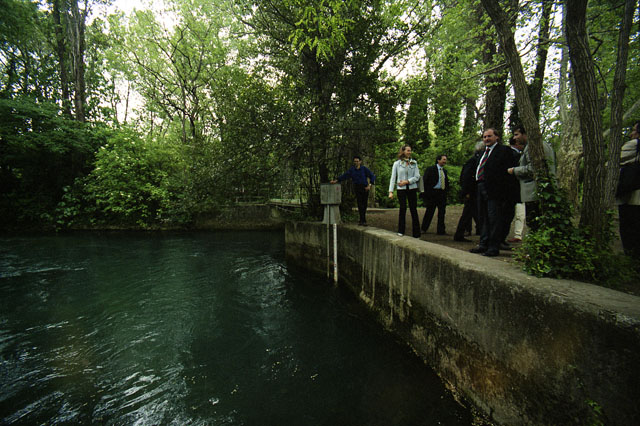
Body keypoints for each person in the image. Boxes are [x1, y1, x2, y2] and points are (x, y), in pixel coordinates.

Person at [470, 128, 516, 257]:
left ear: (497, 137)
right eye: (484, 137)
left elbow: (507, 171)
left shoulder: (504, 151)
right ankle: (483, 244)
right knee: (483, 217)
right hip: (480, 187)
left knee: (494, 218)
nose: (486, 139)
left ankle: (493, 247)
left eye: (489, 136)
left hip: (495, 189)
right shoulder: (482, 153)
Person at [507, 125, 556, 232]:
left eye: (516, 134)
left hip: (534, 192)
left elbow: (533, 169)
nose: (514, 138)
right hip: (541, 191)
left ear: (525, 134)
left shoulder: (532, 147)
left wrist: (514, 170)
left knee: (534, 223)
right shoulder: (544, 144)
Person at [616, 120, 640, 259]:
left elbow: (614, 160)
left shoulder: (635, 145)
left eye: (634, 130)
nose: (631, 134)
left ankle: (631, 262)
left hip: (632, 197)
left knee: (630, 233)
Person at [331, 156, 376, 226]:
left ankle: (363, 219)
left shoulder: (364, 169)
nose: (356, 163)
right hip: (357, 187)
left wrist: (369, 185)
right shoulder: (352, 170)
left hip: (364, 187)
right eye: (355, 161)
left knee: (364, 204)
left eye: (357, 161)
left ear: (360, 162)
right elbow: (345, 175)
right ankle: (362, 220)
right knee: (359, 203)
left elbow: (372, 175)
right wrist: (336, 180)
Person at [389, 144, 421, 238]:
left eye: (410, 150)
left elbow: (417, 176)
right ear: (403, 151)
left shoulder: (414, 163)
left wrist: (407, 181)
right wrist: (391, 191)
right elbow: (393, 178)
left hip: (412, 188)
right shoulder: (397, 164)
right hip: (401, 189)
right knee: (402, 208)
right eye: (408, 150)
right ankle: (401, 230)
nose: (409, 152)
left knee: (413, 209)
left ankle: (416, 233)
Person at [454, 142, 483, 242]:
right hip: (472, 192)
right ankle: (459, 234)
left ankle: (481, 233)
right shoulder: (473, 161)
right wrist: (467, 192)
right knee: (468, 213)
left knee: (472, 213)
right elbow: (466, 176)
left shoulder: (476, 160)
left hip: (474, 191)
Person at [421, 154, 449, 235]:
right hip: (432, 193)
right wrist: (423, 192)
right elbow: (424, 180)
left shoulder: (444, 171)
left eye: (445, 160)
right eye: (443, 159)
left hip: (442, 193)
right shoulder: (431, 169)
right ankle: (424, 228)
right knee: (430, 211)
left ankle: (441, 230)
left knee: (442, 213)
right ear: (438, 160)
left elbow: (446, 182)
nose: (445, 161)